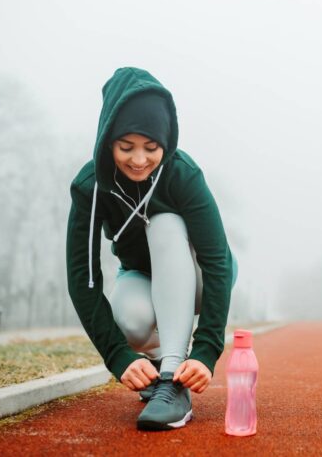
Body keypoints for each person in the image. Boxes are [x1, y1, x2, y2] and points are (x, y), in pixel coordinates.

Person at [66, 67, 237, 431]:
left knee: (165, 222)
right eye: (126, 147)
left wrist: (206, 352)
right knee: (129, 316)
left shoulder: (182, 174)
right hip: (142, 276)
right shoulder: (90, 187)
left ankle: (174, 380)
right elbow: (84, 277)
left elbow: (217, 261)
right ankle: (162, 369)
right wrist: (119, 356)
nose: (139, 160)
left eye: (152, 147)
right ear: (108, 140)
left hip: (200, 275)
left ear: (166, 144)